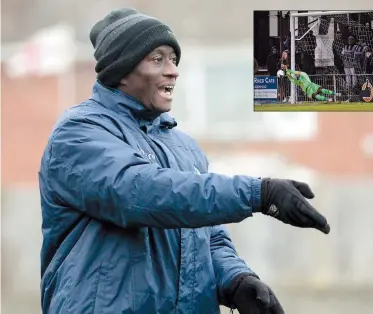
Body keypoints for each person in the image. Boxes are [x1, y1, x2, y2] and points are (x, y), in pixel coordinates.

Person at [39, 8, 330, 314]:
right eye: (158, 59)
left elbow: (208, 237)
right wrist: (259, 193)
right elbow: (144, 192)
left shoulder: (183, 147)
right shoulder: (78, 134)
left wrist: (235, 280)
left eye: (174, 60)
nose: (173, 71)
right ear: (120, 71)